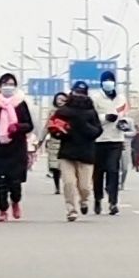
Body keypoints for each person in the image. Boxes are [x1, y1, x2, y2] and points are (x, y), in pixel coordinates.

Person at [0, 74, 36, 222]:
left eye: (11, 84)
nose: (8, 87)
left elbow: (29, 125)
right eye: (5, 84)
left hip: (16, 148)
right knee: (0, 183)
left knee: (15, 182)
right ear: (0, 86)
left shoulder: (21, 104)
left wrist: (17, 127)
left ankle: (15, 201)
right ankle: (2, 210)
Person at [56, 81, 105, 222]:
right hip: (67, 153)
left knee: (85, 187)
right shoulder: (63, 111)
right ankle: (71, 209)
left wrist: (84, 126)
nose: (79, 96)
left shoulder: (91, 112)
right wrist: (62, 131)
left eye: (82, 93)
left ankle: (84, 201)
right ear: (72, 93)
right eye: (77, 92)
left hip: (86, 153)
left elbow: (98, 131)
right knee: (69, 183)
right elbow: (54, 129)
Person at [91, 71, 131, 216]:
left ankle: (113, 202)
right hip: (99, 139)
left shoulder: (121, 98)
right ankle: (98, 198)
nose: (109, 82)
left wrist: (123, 123)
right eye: (106, 80)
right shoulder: (95, 97)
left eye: (111, 80)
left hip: (116, 139)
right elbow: (91, 117)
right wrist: (105, 118)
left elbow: (125, 114)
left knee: (113, 170)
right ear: (102, 83)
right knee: (98, 172)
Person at [43, 94, 68, 194]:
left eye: (63, 99)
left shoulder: (70, 112)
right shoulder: (52, 112)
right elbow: (47, 127)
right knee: (55, 166)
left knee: (65, 166)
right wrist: (40, 140)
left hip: (66, 141)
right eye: (58, 99)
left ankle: (67, 186)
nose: (60, 101)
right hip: (54, 141)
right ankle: (57, 187)